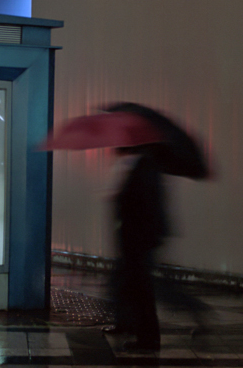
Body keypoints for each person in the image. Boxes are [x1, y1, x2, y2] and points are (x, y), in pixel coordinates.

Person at [106, 145, 168, 351]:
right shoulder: (140, 166)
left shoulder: (145, 166)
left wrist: (120, 198)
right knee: (134, 287)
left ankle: (148, 339)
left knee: (142, 290)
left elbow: (143, 203)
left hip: (139, 241)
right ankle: (133, 328)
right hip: (136, 240)